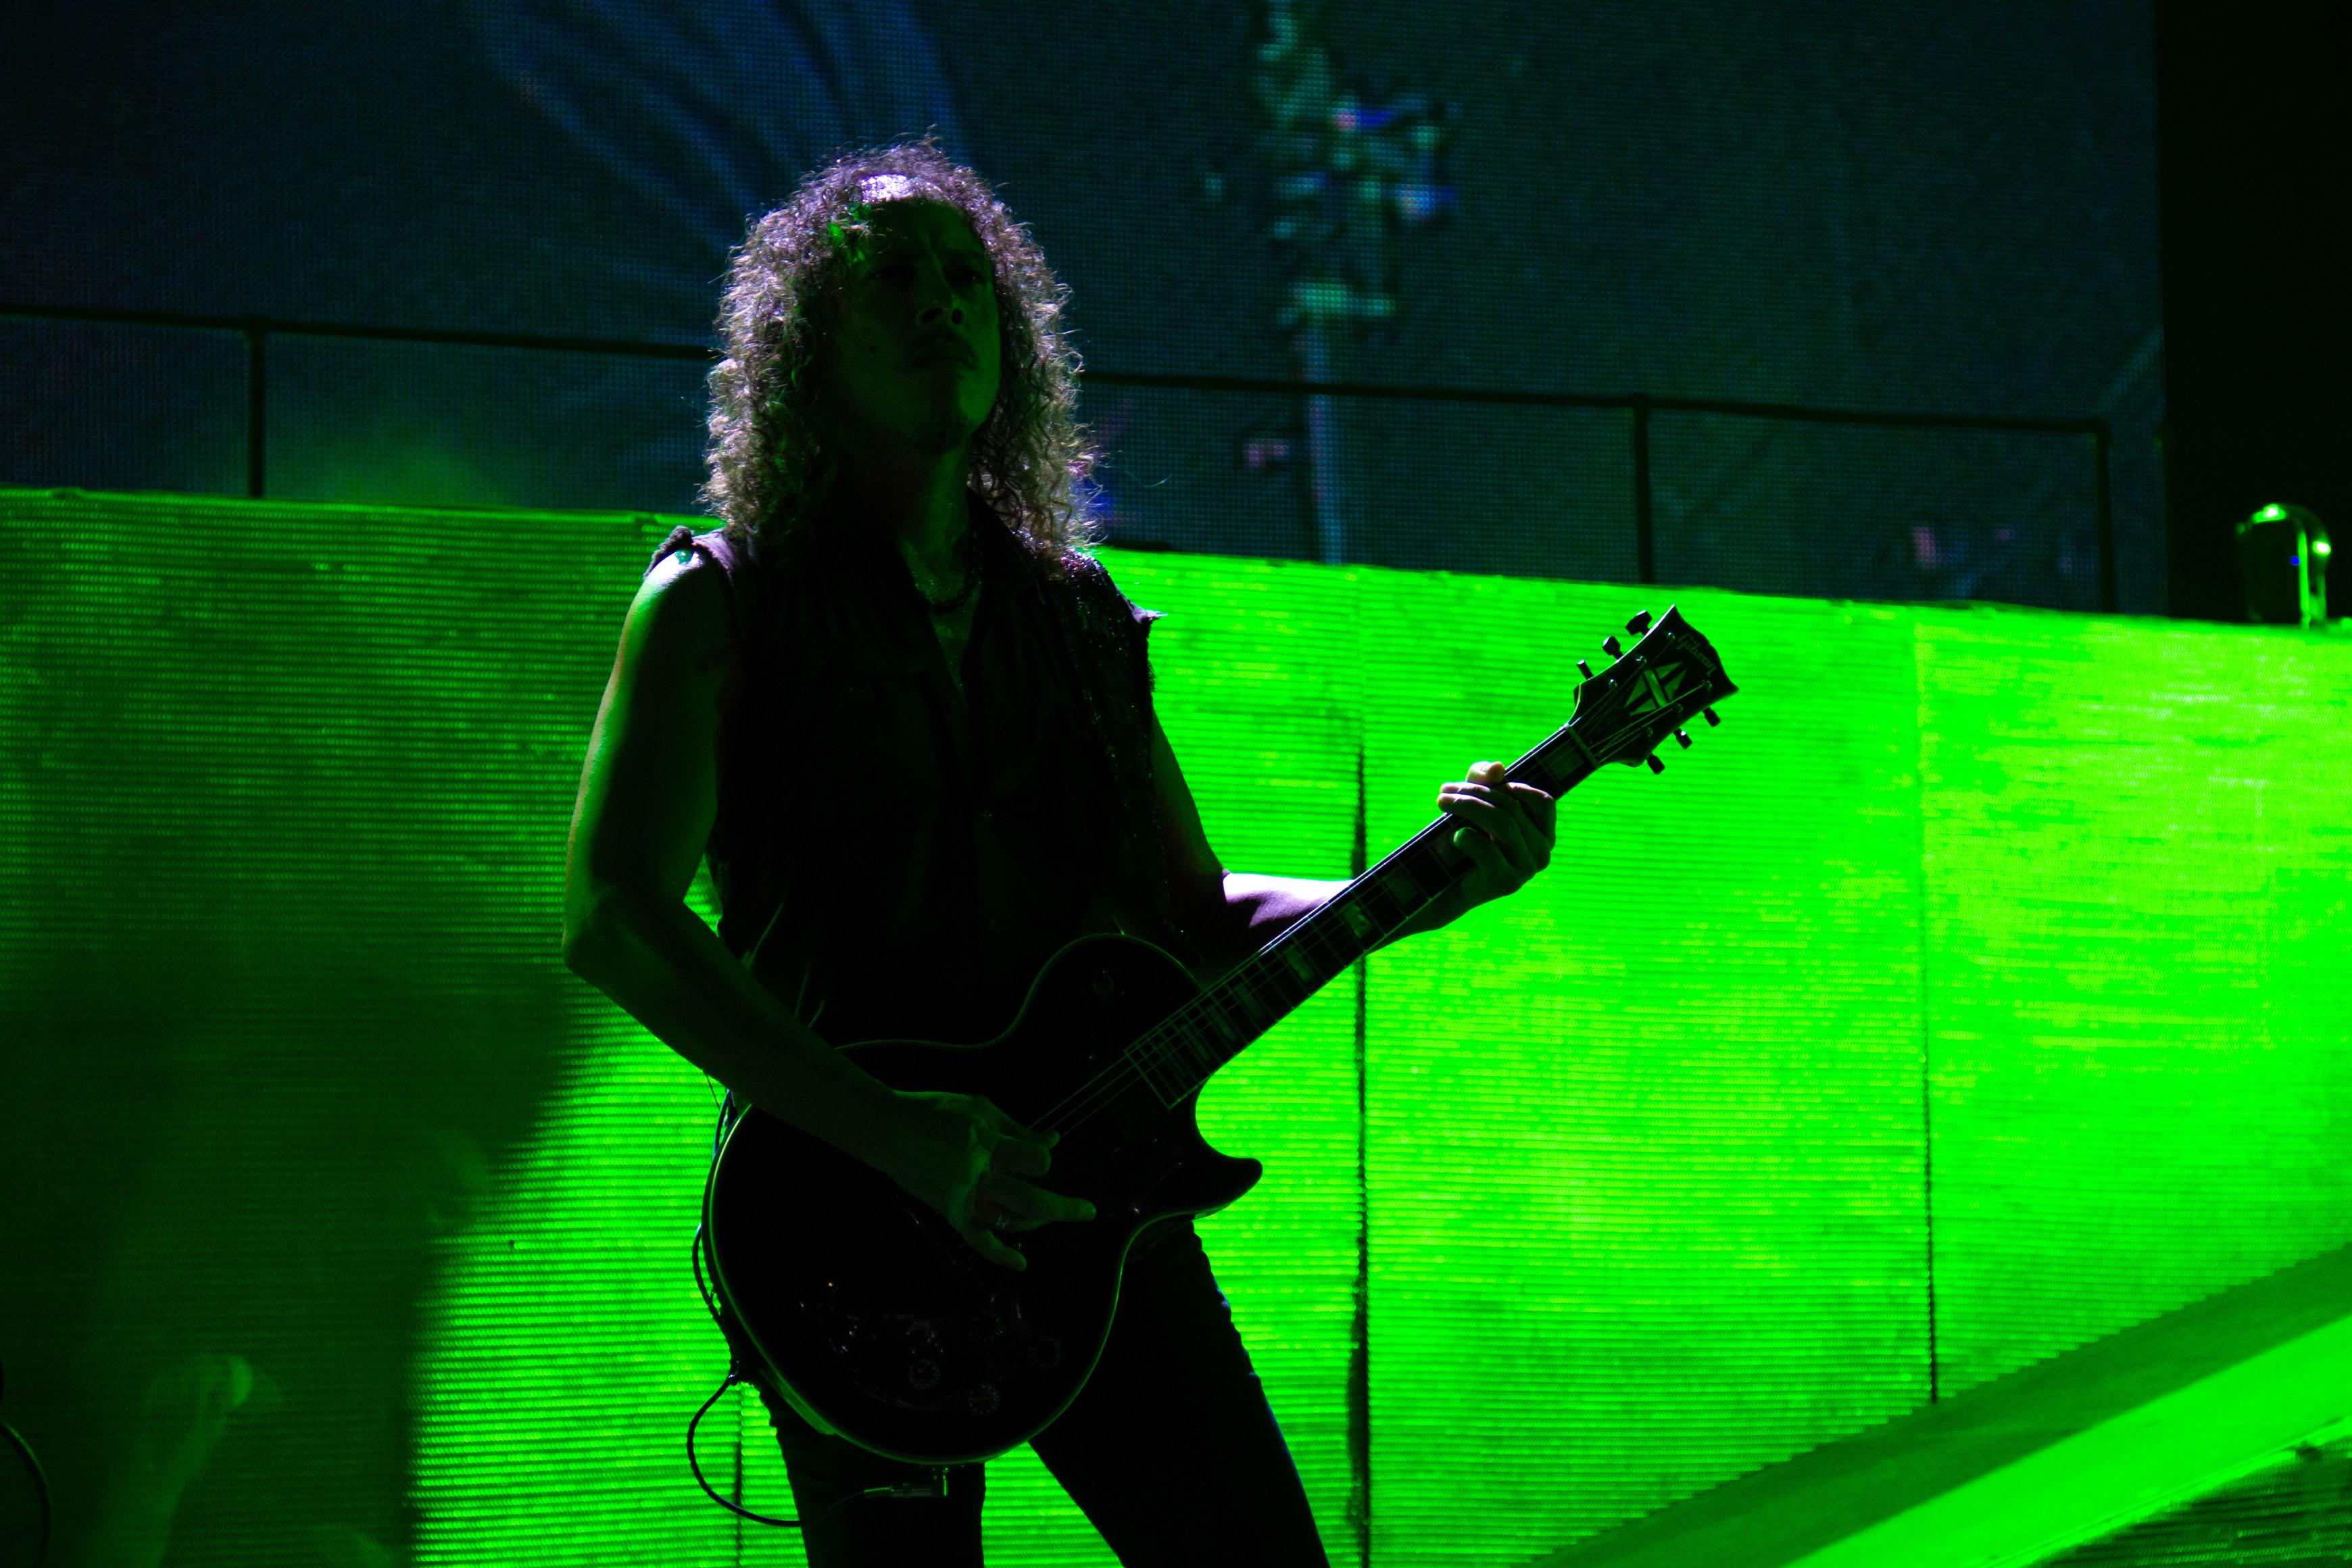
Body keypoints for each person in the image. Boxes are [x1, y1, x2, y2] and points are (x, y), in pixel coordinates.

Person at [560, 138, 1557, 1566]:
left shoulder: (1081, 620)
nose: (940, 302)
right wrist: (898, 1133)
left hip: (1096, 1201)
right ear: (806, 344)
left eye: (965, 278)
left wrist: (1412, 890)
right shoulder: (718, 600)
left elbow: (1194, 911)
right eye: (891, 279)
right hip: (846, 1232)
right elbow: (612, 914)